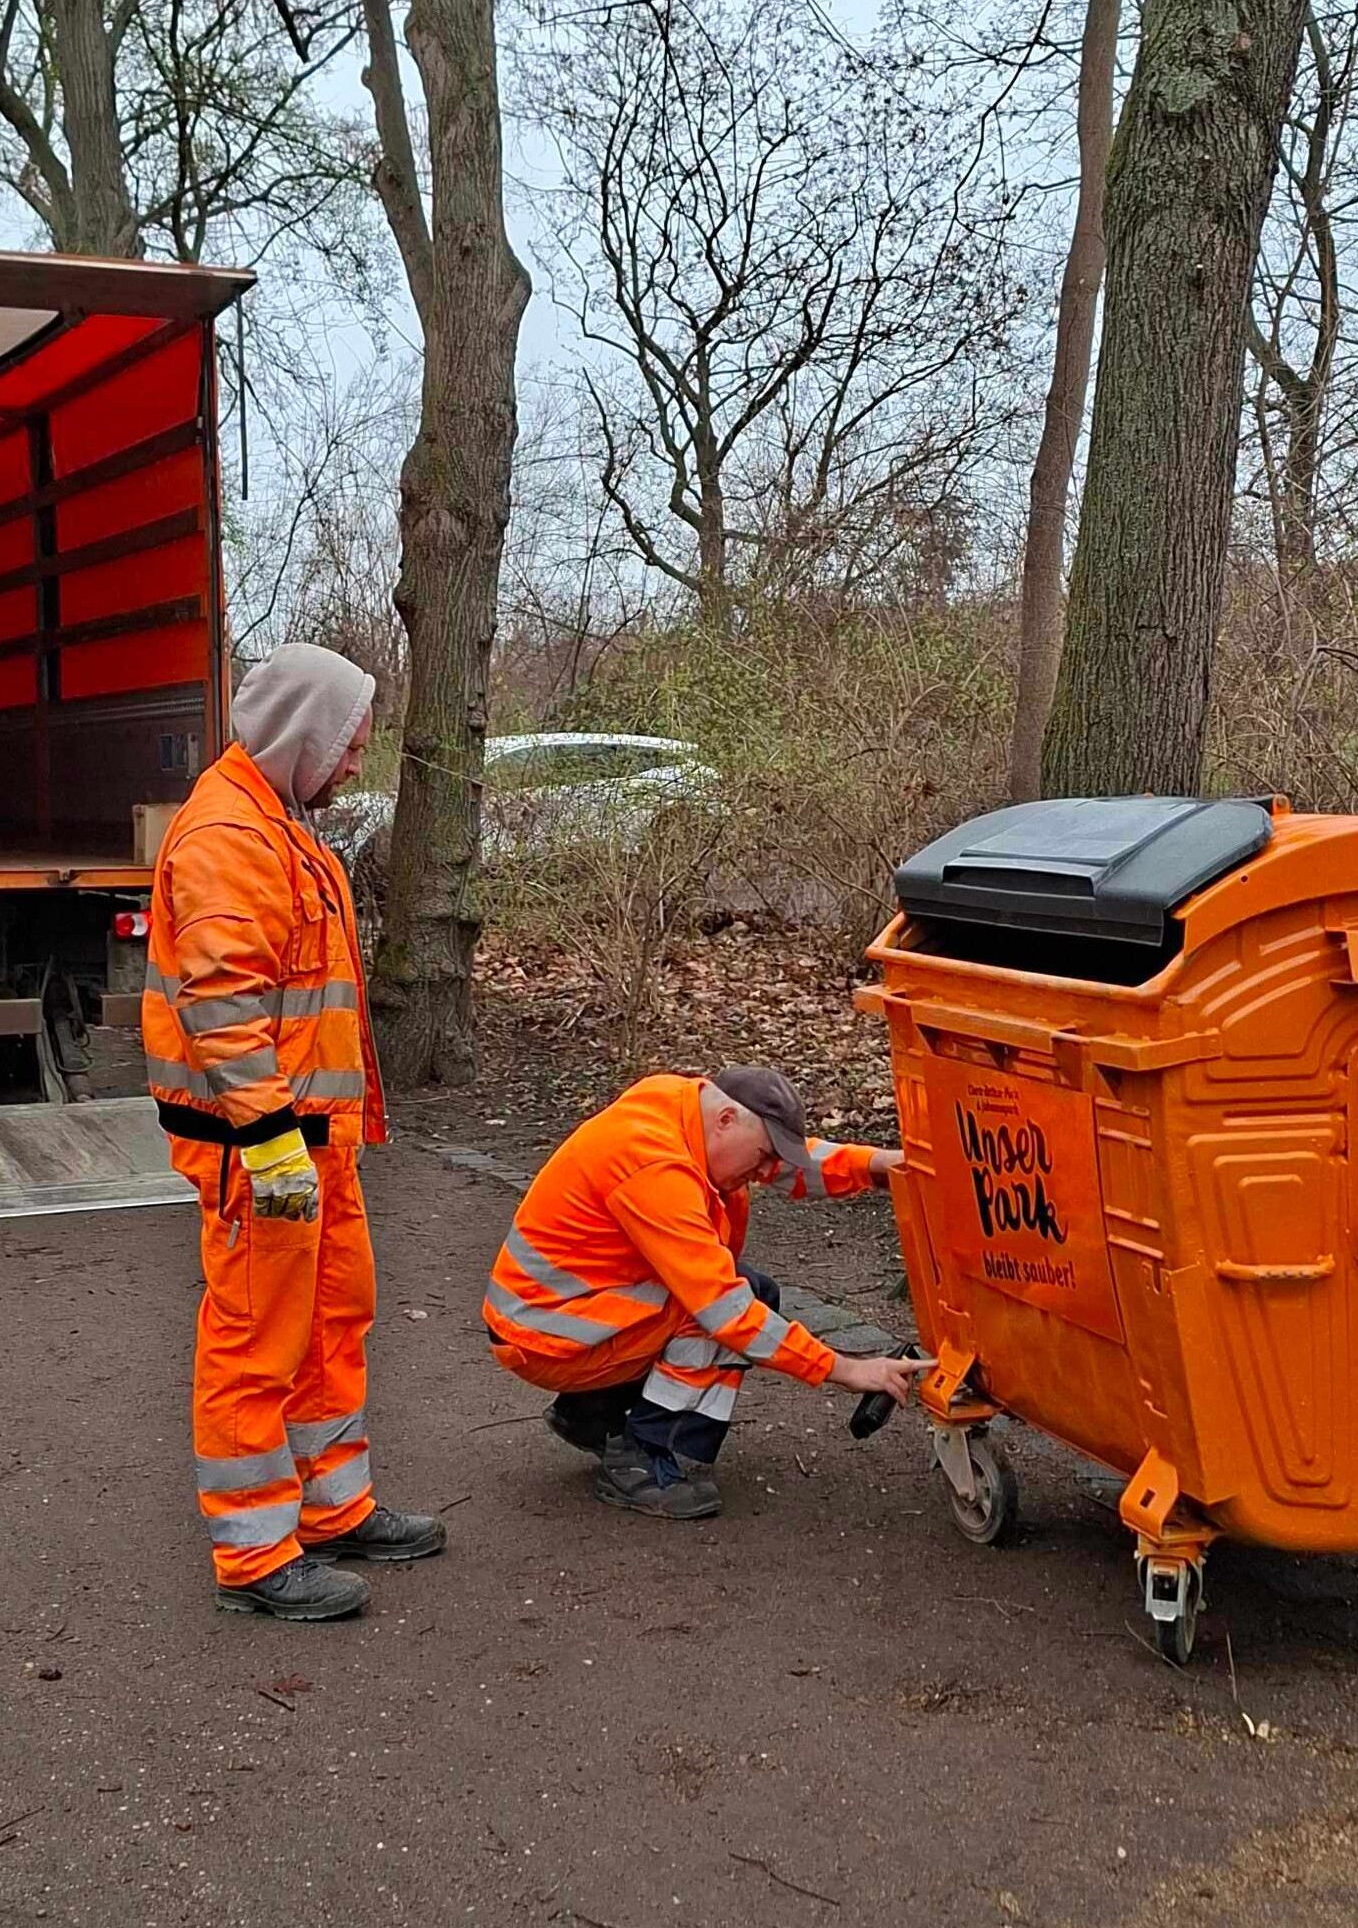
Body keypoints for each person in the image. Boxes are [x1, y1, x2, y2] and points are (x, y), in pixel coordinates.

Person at [144, 642, 444, 1623]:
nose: (357, 762)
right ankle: (257, 1554)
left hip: (311, 1139)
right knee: (256, 1338)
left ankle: (330, 1507)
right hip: (262, 1148)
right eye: (348, 744)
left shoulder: (279, 820)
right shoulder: (229, 835)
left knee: (331, 1320)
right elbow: (221, 1005)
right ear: (301, 737)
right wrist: (274, 1146)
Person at [483, 1065, 930, 1518]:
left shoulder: (684, 1107)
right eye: (759, 1157)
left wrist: (875, 1167)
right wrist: (845, 1369)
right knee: (731, 1306)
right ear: (726, 1120)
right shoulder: (657, 1167)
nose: (764, 1172)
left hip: (555, 1318)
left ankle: (591, 1415)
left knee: (738, 1291)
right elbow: (724, 1310)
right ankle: (646, 1460)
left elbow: (787, 1163)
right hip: (549, 1339)